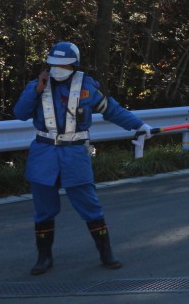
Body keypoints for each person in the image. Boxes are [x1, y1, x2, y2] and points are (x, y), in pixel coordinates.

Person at [13, 41, 152, 275]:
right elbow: (20, 113)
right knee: (44, 209)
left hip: (75, 154)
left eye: (63, 65)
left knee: (89, 205)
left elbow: (112, 110)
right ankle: (44, 257)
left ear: (74, 66)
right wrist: (35, 90)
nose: (57, 68)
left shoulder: (86, 87)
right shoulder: (37, 86)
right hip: (43, 154)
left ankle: (106, 252)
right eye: (53, 64)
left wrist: (138, 125)